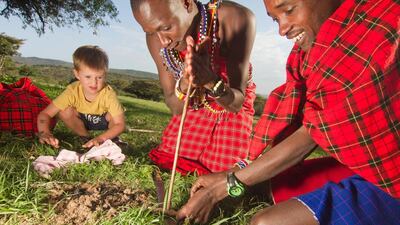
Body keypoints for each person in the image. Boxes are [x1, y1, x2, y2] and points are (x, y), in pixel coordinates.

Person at [176, 0, 400, 224]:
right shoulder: (320, 45)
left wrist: (222, 188)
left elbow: (310, 135)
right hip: (369, 167)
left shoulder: (375, 31)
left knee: (265, 222)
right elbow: (295, 116)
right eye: (275, 18)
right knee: (265, 182)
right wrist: (234, 174)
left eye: (289, 10)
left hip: (394, 179)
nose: (282, 28)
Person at [130, 0, 257, 175]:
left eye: (166, 27)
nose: (163, 41)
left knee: (224, 173)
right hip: (193, 104)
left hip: (229, 106)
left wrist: (210, 81)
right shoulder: (156, 38)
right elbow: (175, 107)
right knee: (169, 162)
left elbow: (236, 104)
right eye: (151, 32)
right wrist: (183, 84)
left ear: (187, 3)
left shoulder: (235, 17)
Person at [37, 45, 126, 149]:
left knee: (114, 115)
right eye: (88, 77)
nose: (94, 82)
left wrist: (101, 138)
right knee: (64, 110)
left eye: (99, 77)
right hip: (81, 120)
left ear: (105, 75)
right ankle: (85, 138)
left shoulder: (108, 94)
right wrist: (45, 133)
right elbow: (45, 114)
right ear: (77, 74)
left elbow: (120, 124)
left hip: (103, 120)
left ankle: (112, 140)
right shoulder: (72, 91)